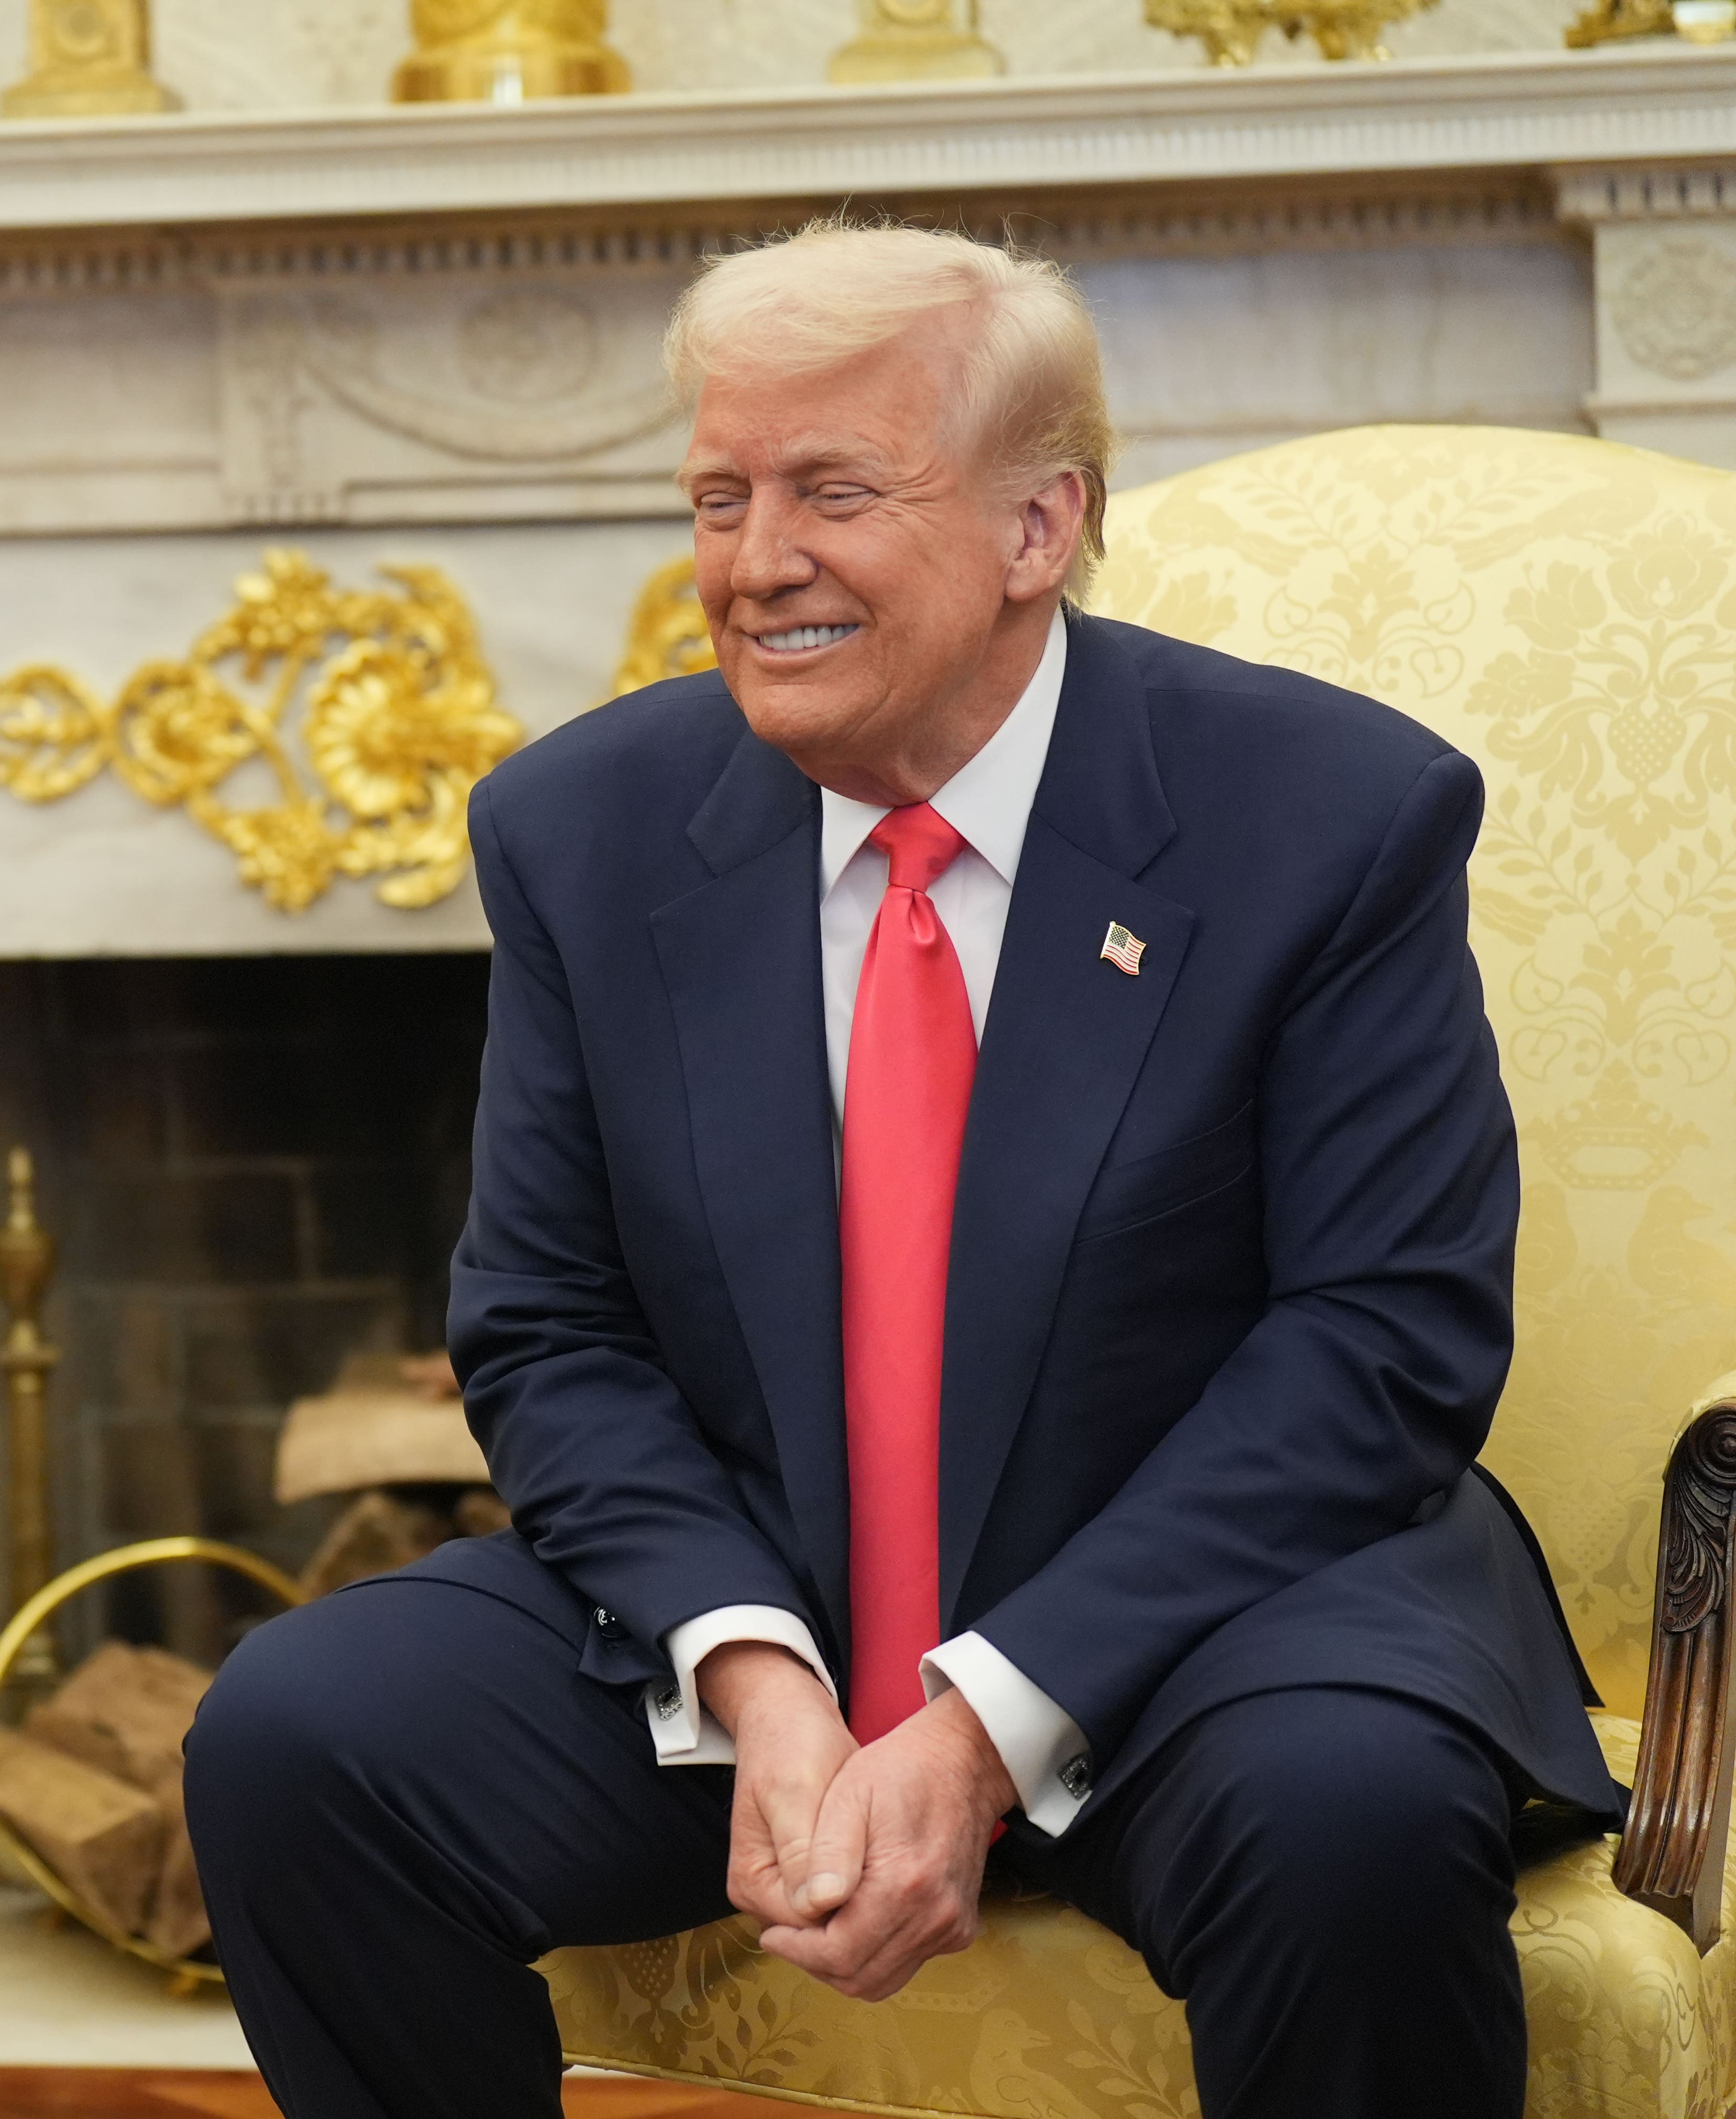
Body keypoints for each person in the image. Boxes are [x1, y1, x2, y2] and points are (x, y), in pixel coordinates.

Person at [182, 222, 1618, 2119]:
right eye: (719, 495)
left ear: (1038, 531)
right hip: (769, 1596)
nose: (752, 561)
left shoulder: (1330, 817)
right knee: (297, 1739)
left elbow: (1381, 1343)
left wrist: (982, 1724)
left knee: (1346, 1821)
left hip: (1206, 1627)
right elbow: (545, 1326)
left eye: (831, 492)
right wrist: (757, 1677)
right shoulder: (582, 830)